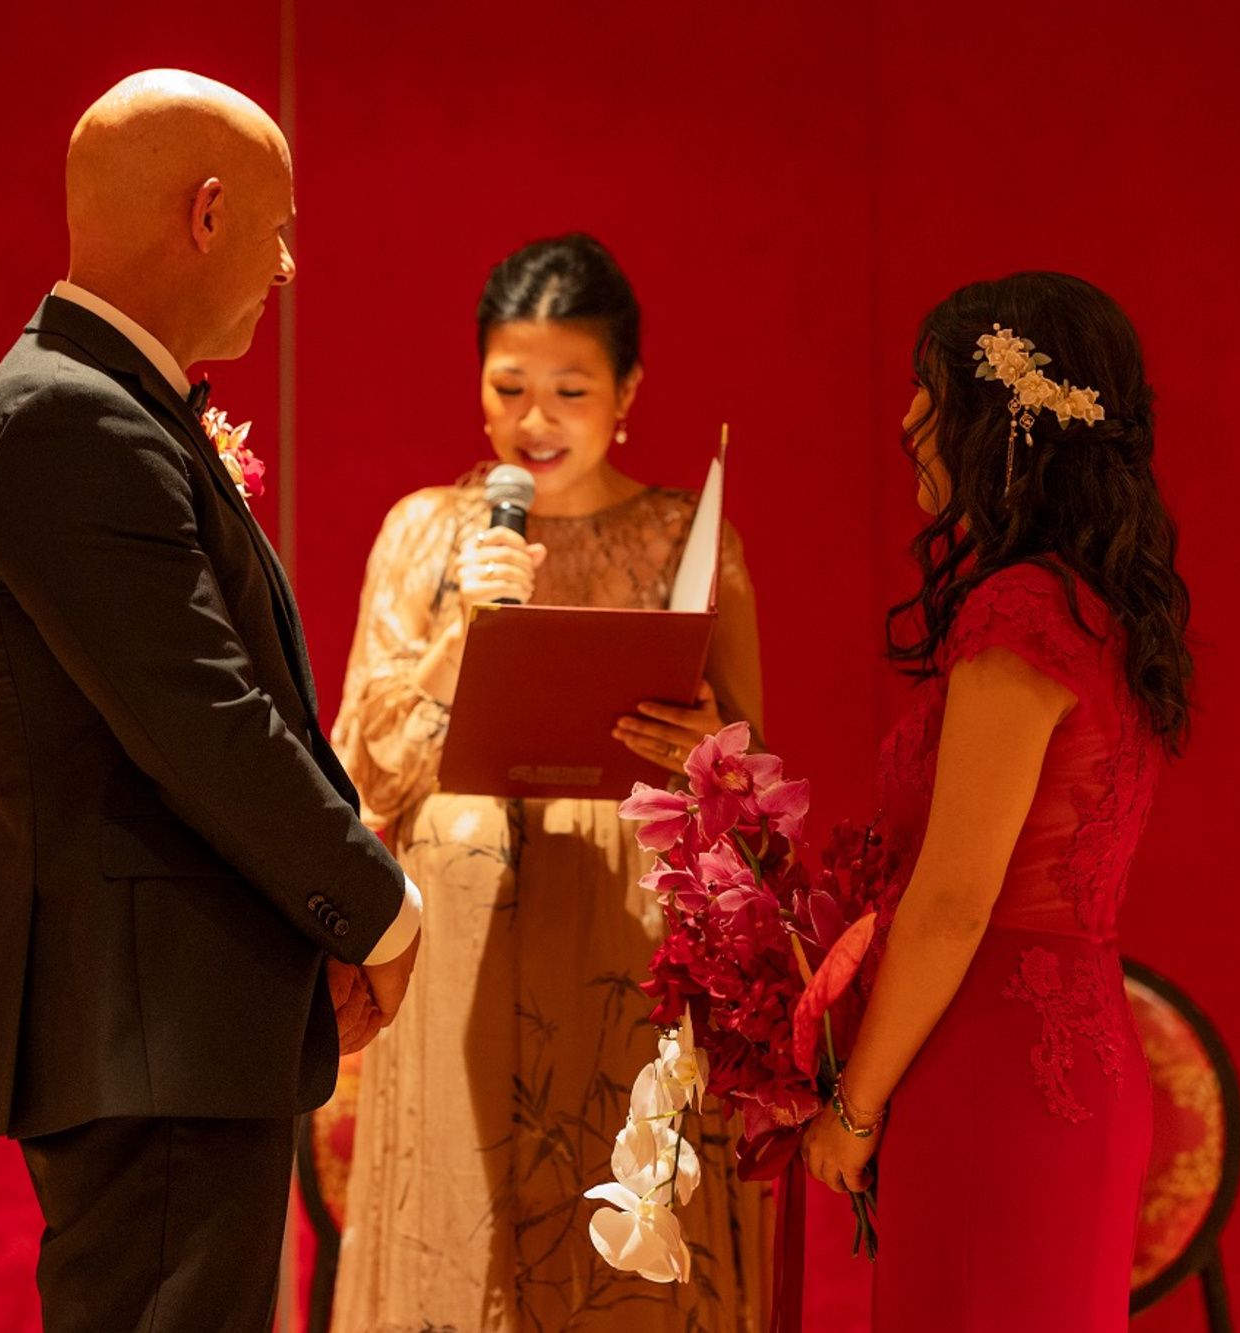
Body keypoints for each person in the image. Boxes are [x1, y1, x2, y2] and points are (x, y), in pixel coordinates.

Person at [0, 70, 421, 1332]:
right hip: (155, 1028)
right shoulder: (67, 421)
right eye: (278, 226)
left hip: (180, 1025)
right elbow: (203, 723)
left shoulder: (100, 407)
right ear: (206, 214)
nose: (289, 264)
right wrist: (375, 907)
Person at [329, 233, 769, 1332]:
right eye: (509, 386)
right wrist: (456, 631)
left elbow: (755, 797)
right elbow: (357, 774)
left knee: (614, 1263)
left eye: (569, 389)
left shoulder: (681, 536)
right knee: (457, 1247)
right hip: (454, 956)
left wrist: (707, 745)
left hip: (623, 955)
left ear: (626, 392)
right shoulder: (426, 532)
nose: (535, 418)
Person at [800, 271, 1194, 1330]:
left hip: (989, 1068)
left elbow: (952, 901)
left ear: (1004, 423)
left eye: (927, 392)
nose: (905, 420)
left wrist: (852, 1105)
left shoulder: (1017, 610)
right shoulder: (1103, 607)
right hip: (1082, 1066)